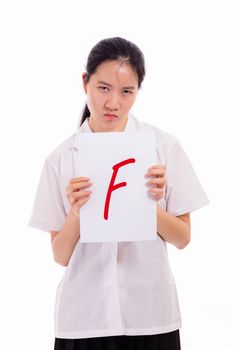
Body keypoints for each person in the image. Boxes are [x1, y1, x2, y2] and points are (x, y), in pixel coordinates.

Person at [28, 37, 210, 350]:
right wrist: (76, 211)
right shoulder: (60, 159)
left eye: (127, 91)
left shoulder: (163, 147)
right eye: (103, 88)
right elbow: (60, 256)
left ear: (138, 90)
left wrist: (146, 205)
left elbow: (182, 238)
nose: (113, 103)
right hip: (84, 320)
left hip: (150, 316)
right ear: (84, 82)